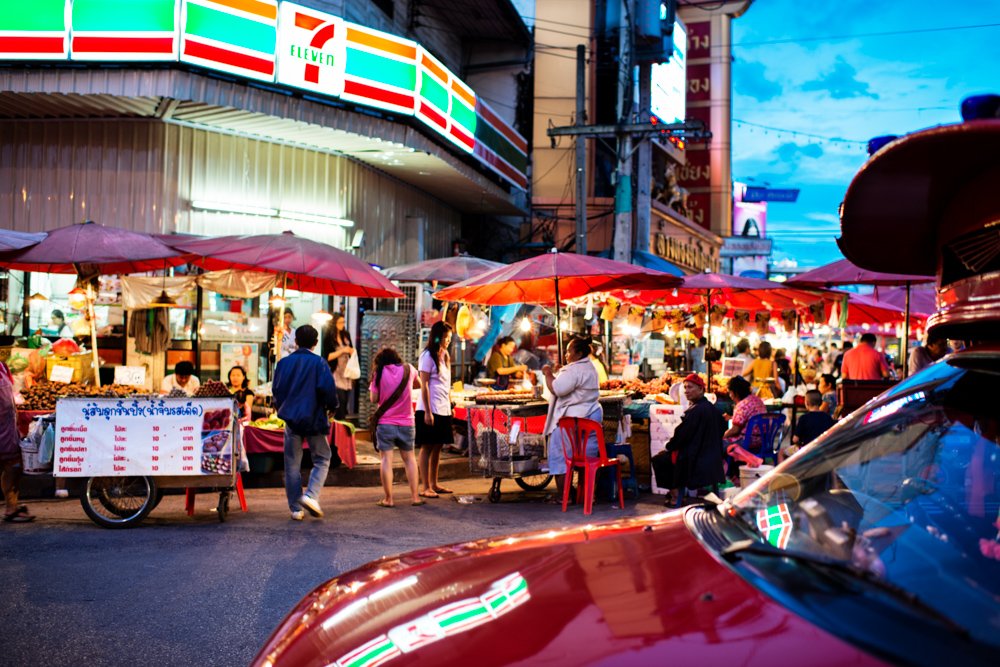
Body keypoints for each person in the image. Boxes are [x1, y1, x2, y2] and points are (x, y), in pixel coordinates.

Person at [273, 324, 338, 521]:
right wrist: (332, 407)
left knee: (292, 464)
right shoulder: (319, 363)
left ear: (296, 341)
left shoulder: (283, 363)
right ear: (316, 343)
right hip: (314, 419)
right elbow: (328, 391)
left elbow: (276, 391)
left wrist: (283, 408)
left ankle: (296, 509)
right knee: (323, 458)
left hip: (291, 420)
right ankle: (310, 495)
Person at [651, 373, 726, 506]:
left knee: (660, 459)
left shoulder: (695, 411)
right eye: (685, 388)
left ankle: (675, 496)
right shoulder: (713, 410)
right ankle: (676, 494)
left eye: (690, 387)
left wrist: (668, 446)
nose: (686, 391)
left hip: (694, 463)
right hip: (713, 461)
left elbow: (680, 437)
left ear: (701, 389)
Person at [542, 336, 602, 500]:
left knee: (559, 455)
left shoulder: (573, 370)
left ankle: (564, 496)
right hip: (592, 416)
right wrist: (562, 371)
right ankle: (588, 496)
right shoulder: (590, 367)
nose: (566, 355)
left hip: (573, 420)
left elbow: (557, 388)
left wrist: (548, 373)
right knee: (589, 456)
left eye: (569, 352)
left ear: (579, 353)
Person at [368, 347, 423, 508]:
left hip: (385, 423)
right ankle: (415, 497)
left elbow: (373, 399)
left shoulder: (378, 374)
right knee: (410, 459)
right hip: (407, 423)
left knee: (386, 460)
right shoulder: (409, 369)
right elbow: (418, 385)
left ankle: (389, 499)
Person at [415, 321, 454, 498]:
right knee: (427, 447)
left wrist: (450, 404)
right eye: (446, 338)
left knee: (438, 446)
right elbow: (424, 385)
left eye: (450, 338)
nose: (448, 341)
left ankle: (434, 483)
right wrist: (428, 412)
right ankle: (425, 487)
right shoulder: (427, 356)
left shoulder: (445, 355)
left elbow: (447, 384)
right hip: (429, 408)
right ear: (437, 337)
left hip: (443, 407)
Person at [1, 362, 33, 523]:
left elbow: (11, 393)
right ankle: (11, 508)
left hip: (7, 427)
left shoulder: (3, 367)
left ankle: (11, 508)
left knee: (13, 465)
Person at [782, 390, 835, 461]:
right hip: (823, 450)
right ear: (821, 403)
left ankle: (782, 472)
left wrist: (800, 443)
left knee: (781, 452)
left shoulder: (803, 418)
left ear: (806, 403)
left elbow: (795, 439)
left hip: (806, 450)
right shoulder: (827, 417)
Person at [326, 313, 355, 421]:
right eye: (340, 322)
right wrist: (342, 351)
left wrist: (352, 352)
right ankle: (338, 424)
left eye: (343, 322)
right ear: (334, 323)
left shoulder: (346, 335)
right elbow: (328, 356)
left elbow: (351, 349)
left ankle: (342, 424)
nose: (342, 324)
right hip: (335, 372)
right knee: (339, 400)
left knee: (345, 400)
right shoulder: (329, 336)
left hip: (346, 371)